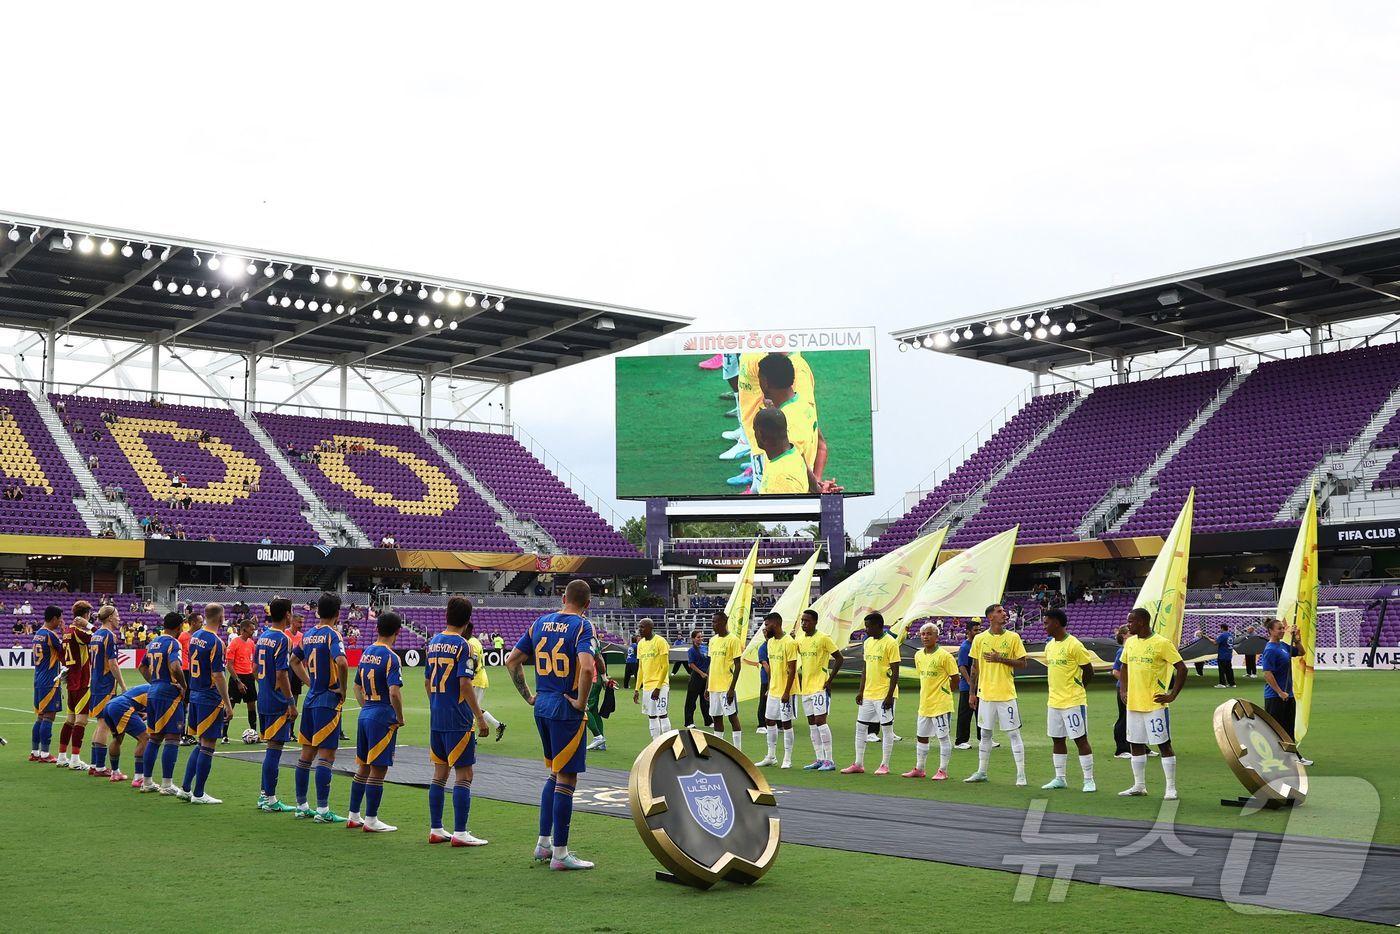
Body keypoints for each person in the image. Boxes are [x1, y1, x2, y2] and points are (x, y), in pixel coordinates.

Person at [504, 579, 598, 871]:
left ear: (563, 598)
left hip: (542, 705)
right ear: (588, 603)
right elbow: (585, 666)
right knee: (567, 779)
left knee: (554, 774)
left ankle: (544, 844)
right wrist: (582, 703)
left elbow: (512, 661)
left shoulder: (540, 622)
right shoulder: (583, 626)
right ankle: (560, 853)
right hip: (564, 708)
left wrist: (528, 695)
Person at [424, 597, 490, 845]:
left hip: (437, 716)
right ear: (468, 619)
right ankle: (461, 832)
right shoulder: (465, 647)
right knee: (464, 775)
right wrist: (480, 717)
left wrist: (435, 704)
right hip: (458, 718)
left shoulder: (433, 643)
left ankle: (436, 828)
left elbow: (428, 681)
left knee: (439, 774)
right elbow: (464, 683)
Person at [291, 593, 350, 822]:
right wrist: (342, 689)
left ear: (318, 612)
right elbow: (343, 662)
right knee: (326, 757)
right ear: (337, 614)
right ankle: (323, 810)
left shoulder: (308, 635)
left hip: (311, 699)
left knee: (306, 755)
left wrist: (309, 682)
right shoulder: (332, 635)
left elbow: (293, 661)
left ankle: (301, 805)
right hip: (328, 700)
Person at [1118, 607, 1187, 800]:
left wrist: (1172, 695)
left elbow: (1181, 668)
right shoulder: (1130, 643)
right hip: (1133, 704)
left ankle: (1171, 788)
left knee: (1163, 745)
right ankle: (1139, 785)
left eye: (1131, 621)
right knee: (1135, 743)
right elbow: (1124, 667)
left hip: (1155, 705)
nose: (1128, 624)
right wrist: (1123, 690)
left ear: (1141, 622)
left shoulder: (1162, 643)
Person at [347, 611, 405, 833]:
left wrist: (366, 708)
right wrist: (399, 717)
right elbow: (394, 693)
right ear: (397, 631)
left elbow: (356, 687)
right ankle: (371, 819)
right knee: (378, 769)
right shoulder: (391, 657)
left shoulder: (366, 652)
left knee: (362, 766)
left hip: (365, 713)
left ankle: (354, 815)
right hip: (381, 715)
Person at [964, 603, 1028, 785]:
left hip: (1006, 694)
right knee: (985, 734)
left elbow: (1023, 663)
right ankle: (982, 772)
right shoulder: (979, 639)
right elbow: (975, 667)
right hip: (985, 695)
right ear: (990, 617)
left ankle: (1021, 775)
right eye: (999, 612)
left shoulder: (1014, 637)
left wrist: (1000, 659)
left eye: (1004, 611)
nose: (1004, 614)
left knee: (1014, 734)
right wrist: (972, 693)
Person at [177, 604, 234, 804]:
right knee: (208, 744)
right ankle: (199, 794)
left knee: (201, 742)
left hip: (195, 694)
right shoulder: (216, 642)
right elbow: (218, 675)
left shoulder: (196, 636)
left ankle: (185, 788)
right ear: (220, 618)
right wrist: (227, 703)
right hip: (209, 697)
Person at [1040, 608, 1096, 793]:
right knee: (1057, 739)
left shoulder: (1074, 645)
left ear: (1056, 622)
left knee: (1080, 739)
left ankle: (1089, 780)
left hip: (1073, 702)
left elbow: (1088, 671)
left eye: (1047, 622)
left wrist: (1078, 689)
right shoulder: (1049, 646)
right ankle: (1060, 778)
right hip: (1054, 702)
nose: (1044, 625)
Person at [256, 598, 302, 812]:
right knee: (274, 749)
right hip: (277, 701)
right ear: (287, 615)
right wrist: (290, 702)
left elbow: (256, 669)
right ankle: (269, 798)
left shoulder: (263, 636)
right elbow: (283, 673)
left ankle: (264, 795)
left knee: (271, 748)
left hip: (263, 697)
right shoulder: (282, 639)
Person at [843, 612, 900, 775]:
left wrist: (890, 695)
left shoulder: (891, 643)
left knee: (887, 729)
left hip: (884, 694)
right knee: (860, 727)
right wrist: (861, 691)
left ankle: (884, 765)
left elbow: (896, 671)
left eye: (868, 626)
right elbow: (865, 668)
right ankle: (858, 763)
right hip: (868, 693)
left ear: (878, 626)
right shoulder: (867, 643)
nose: (866, 629)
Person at [138, 613, 188, 793]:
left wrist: (154, 682)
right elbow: (175, 666)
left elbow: (142, 666)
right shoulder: (174, 643)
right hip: (168, 694)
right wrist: (183, 685)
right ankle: (167, 784)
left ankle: (147, 782)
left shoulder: (153, 643)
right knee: (173, 737)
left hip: (153, 692)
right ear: (179, 627)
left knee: (154, 737)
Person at [905, 621, 958, 780]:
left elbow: (955, 678)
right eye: (923, 634)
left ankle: (943, 770)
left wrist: (945, 692)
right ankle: (920, 768)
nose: (925, 637)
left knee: (943, 737)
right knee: (921, 735)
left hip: (940, 704)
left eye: (929, 634)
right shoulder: (918, 655)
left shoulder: (945, 656)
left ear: (936, 636)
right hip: (925, 703)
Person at [794, 608, 841, 771]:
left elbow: (839, 658)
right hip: (805, 688)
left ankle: (830, 760)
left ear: (815, 622)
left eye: (807, 621)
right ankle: (819, 758)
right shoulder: (799, 640)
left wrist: (830, 679)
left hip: (820, 686)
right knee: (812, 723)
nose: (804, 624)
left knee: (821, 721)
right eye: (802, 621)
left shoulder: (823, 638)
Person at [1260, 618, 1311, 765]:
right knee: (1274, 729)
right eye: (1279, 629)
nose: (1282, 631)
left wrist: (1296, 639)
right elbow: (1267, 674)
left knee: (1288, 727)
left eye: (1283, 628)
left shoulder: (1282, 645)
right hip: (1275, 696)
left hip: (1288, 695)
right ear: (1270, 631)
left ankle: (1292, 756)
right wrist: (1280, 692)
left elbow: (1301, 652)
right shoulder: (1270, 650)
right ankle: (1271, 758)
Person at [86, 605, 126, 776]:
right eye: (117, 615)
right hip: (105, 685)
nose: (119, 618)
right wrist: (123, 686)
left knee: (99, 724)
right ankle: (100, 767)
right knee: (104, 725)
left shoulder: (95, 635)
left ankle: (95, 764)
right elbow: (112, 663)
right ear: (109, 617)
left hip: (96, 683)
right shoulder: (109, 636)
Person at [56, 600, 95, 769]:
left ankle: (62, 756)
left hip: (71, 679)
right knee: (81, 721)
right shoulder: (78, 631)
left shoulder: (66, 632)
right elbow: (100, 637)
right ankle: (75, 760)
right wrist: (90, 625)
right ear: (85, 615)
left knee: (70, 720)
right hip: (82, 680)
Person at [756, 612, 797, 769]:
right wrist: (768, 687)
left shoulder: (789, 642)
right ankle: (771, 756)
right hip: (773, 690)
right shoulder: (771, 643)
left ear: (775, 624)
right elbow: (772, 667)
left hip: (786, 691)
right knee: (769, 721)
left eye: (767, 625)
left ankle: (787, 758)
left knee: (786, 723)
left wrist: (786, 692)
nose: (765, 628)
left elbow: (792, 670)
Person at [705, 610, 744, 750]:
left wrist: (731, 688)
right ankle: (718, 750)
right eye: (712, 622)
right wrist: (706, 686)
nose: (713, 624)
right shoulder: (712, 640)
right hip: (713, 687)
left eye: (715, 622)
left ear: (723, 622)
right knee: (716, 718)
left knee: (732, 717)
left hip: (726, 686)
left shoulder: (733, 640)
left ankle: (738, 751)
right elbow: (711, 664)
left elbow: (738, 665)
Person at [98, 684, 153, 785]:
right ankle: (139, 778)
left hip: (110, 705)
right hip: (122, 706)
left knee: (117, 738)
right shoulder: (156, 692)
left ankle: (115, 773)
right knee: (145, 738)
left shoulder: (146, 687)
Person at [29, 606, 64, 763]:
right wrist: (64, 632)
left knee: (40, 717)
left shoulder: (38, 634)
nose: (61, 621)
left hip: (38, 679)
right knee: (49, 716)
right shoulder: (50, 635)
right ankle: (45, 754)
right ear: (54, 619)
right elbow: (65, 651)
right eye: (60, 619)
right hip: (50, 680)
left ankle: (35, 751)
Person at [633, 618, 672, 738]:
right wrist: (636, 688)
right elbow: (640, 668)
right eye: (639, 627)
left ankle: (667, 743)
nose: (640, 629)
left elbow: (665, 666)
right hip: (647, 686)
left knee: (662, 714)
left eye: (642, 627)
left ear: (650, 628)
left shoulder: (660, 641)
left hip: (660, 685)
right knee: (651, 715)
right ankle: (655, 744)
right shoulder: (640, 644)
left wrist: (658, 687)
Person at [467, 627, 506, 741]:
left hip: (476, 678)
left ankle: (472, 738)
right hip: (479, 677)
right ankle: (498, 725)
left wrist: (468, 674)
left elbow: (473, 661)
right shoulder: (474, 641)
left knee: (472, 708)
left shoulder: (471, 643)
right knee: (475, 707)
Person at [954, 619, 983, 749]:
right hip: (968, 687)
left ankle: (983, 738)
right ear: (968, 632)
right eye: (975, 630)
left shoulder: (978, 645)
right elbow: (962, 666)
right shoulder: (965, 647)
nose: (978, 632)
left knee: (981, 713)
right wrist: (969, 682)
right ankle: (960, 741)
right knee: (965, 714)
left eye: (979, 629)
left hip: (980, 685)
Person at [227, 619, 259, 736]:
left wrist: (255, 677)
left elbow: (253, 661)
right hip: (237, 678)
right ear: (244, 629)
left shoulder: (251, 643)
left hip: (249, 677)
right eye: (251, 629)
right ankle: (224, 735)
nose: (253, 631)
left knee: (251, 705)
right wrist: (238, 681)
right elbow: (229, 665)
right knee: (231, 705)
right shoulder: (235, 642)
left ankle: (254, 732)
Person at [682, 629, 709, 728]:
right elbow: (691, 664)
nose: (700, 639)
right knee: (691, 700)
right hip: (696, 677)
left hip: (706, 677)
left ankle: (708, 721)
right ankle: (689, 722)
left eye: (701, 637)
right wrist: (701, 673)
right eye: (698, 637)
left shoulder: (705, 648)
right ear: (693, 639)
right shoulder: (691, 650)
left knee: (705, 700)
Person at [1111, 625, 1131, 758]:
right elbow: (1116, 671)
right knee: (1124, 717)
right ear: (1124, 635)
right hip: (1124, 688)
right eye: (1130, 633)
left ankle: (1141, 747)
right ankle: (1121, 749)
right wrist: (1127, 684)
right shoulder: (1122, 651)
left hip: (1134, 688)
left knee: (1135, 718)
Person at [1216, 623, 1236, 687]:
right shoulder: (1231, 635)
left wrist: (1207, 638)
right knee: (1229, 670)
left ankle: (1222, 683)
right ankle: (1232, 683)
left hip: (1222, 655)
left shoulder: (1222, 635)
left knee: (1222, 670)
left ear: (1222, 628)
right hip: (1229, 655)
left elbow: (1215, 643)